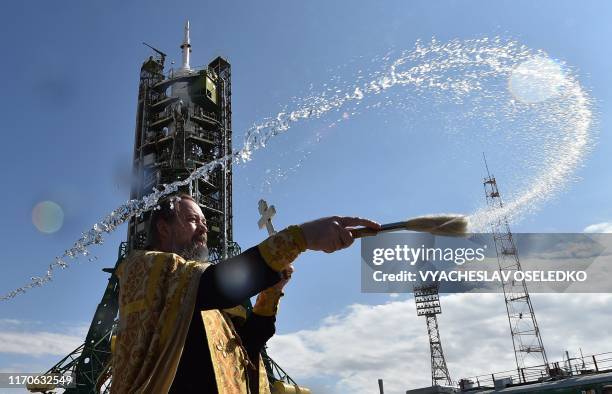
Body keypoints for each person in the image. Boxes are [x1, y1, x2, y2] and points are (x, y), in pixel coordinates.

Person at [111, 194, 380, 394]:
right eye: (193, 220)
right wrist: (301, 237)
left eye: (205, 222)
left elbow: (245, 348)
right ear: (163, 227)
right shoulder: (144, 266)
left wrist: (271, 295)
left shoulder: (193, 289)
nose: (205, 229)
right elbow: (218, 285)